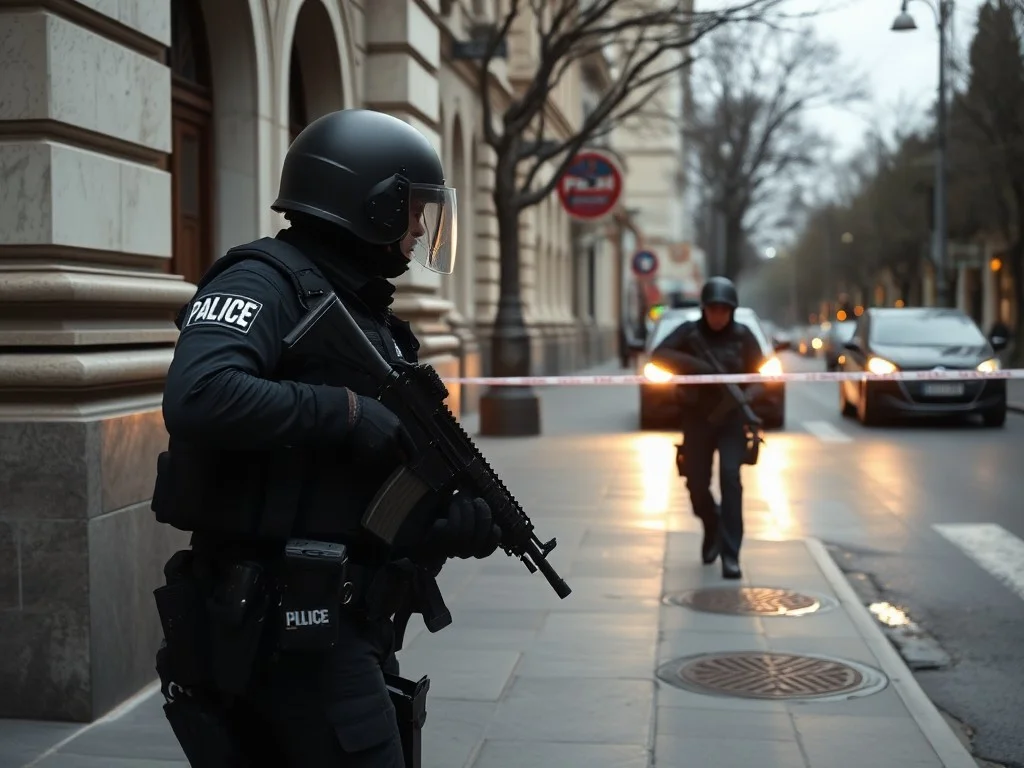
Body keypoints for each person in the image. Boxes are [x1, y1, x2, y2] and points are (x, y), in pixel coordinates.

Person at [153, 108, 501, 767]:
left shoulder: (367, 315)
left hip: (343, 620)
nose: (420, 227)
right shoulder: (261, 281)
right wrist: (342, 410)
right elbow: (198, 393)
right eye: (413, 209)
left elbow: (354, 498)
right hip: (279, 623)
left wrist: (443, 528)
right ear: (373, 204)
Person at [650, 277, 764, 579]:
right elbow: (659, 355)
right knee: (696, 484)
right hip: (698, 419)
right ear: (704, 309)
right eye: (712, 310)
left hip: (731, 421)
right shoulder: (689, 333)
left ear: (732, 311)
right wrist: (697, 367)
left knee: (730, 478)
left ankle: (731, 554)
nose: (718, 316)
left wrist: (746, 398)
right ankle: (711, 524)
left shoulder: (744, 337)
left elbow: (761, 375)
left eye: (723, 310)